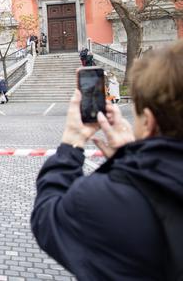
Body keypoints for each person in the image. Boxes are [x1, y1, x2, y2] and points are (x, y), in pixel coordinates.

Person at [30, 40, 183, 280]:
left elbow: (47, 217)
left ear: (149, 122)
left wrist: (72, 141)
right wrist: (133, 154)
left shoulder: (110, 200)